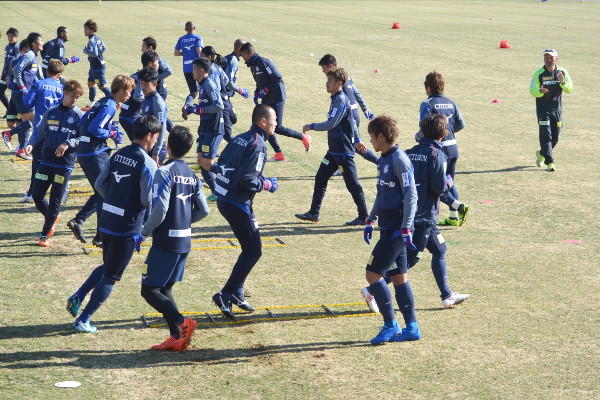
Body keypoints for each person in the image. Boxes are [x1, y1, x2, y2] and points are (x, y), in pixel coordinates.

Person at [67, 116, 160, 333]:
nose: (156, 141)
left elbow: (100, 183)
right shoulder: (147, 163)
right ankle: (83, 319)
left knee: (109, 264)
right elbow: (148, 199)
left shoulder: (118, 154)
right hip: (127, 227)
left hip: (106, 220)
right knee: (111, 275)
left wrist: (113, 200)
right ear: (149, 136)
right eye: (156, 137)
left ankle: (78, 296)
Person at [140, 125, 209, 351]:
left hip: (166, 241)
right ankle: (177, 337)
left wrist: (143, 233)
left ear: (168, 146)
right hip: (184, 241)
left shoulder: (165, 172)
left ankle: (181, 322)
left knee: (149, 289)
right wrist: (184, 221)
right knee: (166, 288)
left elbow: (160, 210)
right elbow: (204, 210)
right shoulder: (192, 175)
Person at [211, 104, 279, 319]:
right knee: (253, 250)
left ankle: (237, 292)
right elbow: (248, 179)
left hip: (225, 199)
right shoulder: (258, 145)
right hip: (237, 203)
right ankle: (226, 293)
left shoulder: (240, 138)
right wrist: (266, 184)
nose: (276, 123)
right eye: (274, 119)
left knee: (248, 248)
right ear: (262, 121)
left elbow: (223, 163)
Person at [362, 115, 420, 344]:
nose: (370, 141)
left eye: (372, 137)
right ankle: (412, 327)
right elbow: (381, 192)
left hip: (397, 230)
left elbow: (411, 194)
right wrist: (371, 218)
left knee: (372, 274)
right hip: (387, 226)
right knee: (398, 277)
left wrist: (406, 227)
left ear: (382, 136)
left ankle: (390, 325)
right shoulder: (383, 159)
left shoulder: (400, 160)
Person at [405, 114, 470, 307]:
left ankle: (447, 295)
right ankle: (375, 289)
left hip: (413, 213)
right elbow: (439, 188)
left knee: (440, 249)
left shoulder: (409, 152)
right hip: (423, 216)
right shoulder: (438, 155)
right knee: (410, 259)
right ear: (444, 133)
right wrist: (453, 200)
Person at [295, 68, 369, 226]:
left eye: (330, 80)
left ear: (339, 83)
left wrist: (311, 126)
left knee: (352, 185)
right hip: (333, 152)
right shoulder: (336, 98)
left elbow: (331, 124)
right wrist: (357, 139)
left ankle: (364, 216)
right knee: (320, 178)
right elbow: (351, 121)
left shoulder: (341, 100)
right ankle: (314, 213)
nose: (326, 83)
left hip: (343, 152)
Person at [67, 75, 132, 247]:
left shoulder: (104, 101)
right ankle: (80, 221)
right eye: (129, 92)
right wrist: (111, 134)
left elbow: (84, 122)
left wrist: (108, 129)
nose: (130, 96)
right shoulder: (110, 106)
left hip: (88, 152)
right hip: (94, 154)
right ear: (122, 90)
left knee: (103, 191)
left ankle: (98, 235)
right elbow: (94, 128)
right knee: (106, 191)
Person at [29, 80, 84, 247]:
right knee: (37, 194)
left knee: (55, 200)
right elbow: (40, 131)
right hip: (46, 161)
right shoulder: (51, 112)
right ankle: (52, 218)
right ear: (64, 93)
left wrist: (68, 143)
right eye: (72, 96)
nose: (75, 100)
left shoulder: (79, 116)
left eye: (77, 97)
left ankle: (44, 235)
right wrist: (31, 143)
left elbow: (84, 138)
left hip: (64, 165)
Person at [240, 42, 311, 161]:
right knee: (264, 125)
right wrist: (257, 92)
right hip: (267, 98)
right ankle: (279, 153)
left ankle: (304, 137)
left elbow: (277, 78)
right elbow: (259, 82)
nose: (243, 59)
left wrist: (265, 90)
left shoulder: (263, 62)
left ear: (250, 53)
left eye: (244, 56)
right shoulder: (252, 66)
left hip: (277, 96)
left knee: (277, 128)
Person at [419, 71, 468, 227]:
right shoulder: (451, 103)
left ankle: (456, 208)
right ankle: (454, 217)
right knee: (449, 183)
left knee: (436, 184)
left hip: (438, 151)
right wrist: (448, 132)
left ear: (428, 87)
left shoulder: (427, 104)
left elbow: (423, 127)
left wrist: (418, 138)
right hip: (452, 148)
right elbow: (461, 124)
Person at [318, 54, 379, 165]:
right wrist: (365, 109)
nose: (323, 72)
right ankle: (339, 167)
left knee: (351, 145)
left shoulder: (338, 80)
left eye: (324, 69)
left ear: (330, 66)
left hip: (348, 117)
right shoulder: (346, 76)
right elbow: (357, 93)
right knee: (347, 144)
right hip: (352, 115)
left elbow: (346, 99)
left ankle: (379, 162)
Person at [20, 59, 65, 204]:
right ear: (59, 75)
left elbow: (27, 103)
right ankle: (62, 193)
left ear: (46, 71)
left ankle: (32, 193)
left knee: (38, 164)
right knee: (58, 165)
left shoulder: (39, 84)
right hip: (57, 132)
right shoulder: (62, 88)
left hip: (40, 131)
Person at [182, 58, 223, 200]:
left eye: (194, 69)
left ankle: (229, 175)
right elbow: (202, 103)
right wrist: (191, 108)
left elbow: (219, 105)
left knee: (207, 163)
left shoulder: (209, 84)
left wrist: (199, 109)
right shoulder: (201, 84)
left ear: (201, 70)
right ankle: (216, 192)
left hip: (214, 129)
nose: (192, 72)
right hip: (205, 128)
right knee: (201, 160)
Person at [1, 32, 44, 160]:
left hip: (23, 94)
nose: (42, 43)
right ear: (34, 44)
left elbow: (33, 76)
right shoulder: (30, 55)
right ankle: (11, 137)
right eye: (40, 41)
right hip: (21, 94)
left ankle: (20, 148)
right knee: (34, 122)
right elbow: (17, 69)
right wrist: (22, 86)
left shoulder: (34, 56)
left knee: (29, 122)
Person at [530, 49, 573, 172]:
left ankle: (541, 153)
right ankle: (550, 162)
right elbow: (532, 90)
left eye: (551, 57)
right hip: (543, 109)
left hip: (557, 109)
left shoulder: (562, 72)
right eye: (546, 58)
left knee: (555, 137)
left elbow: (569, 89)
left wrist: (562, 82)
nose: (548, 60)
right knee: (546, 136)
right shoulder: (538, 73)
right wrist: (540, 91)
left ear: (556, 59)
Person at [201, 45, 249, 144]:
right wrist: (240, 91)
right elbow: (228, 83)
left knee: (231, 124)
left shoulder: (211, 70)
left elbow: (217, 88)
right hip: (225, 101)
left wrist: (240, 90)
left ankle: (237, 147)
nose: (200, 57)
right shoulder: (217, 67)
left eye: (202, 55)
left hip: (221, 102)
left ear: (209, 57)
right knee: (228, 126)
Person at [139, 67, 168, 164]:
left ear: (155, 84)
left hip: (156, 148)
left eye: (146, 84)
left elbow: (161, 128)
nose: (142, 87)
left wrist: (156, 153)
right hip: (147, 144)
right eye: (141, 83)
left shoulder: (158, 103)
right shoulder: (146, 98)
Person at [83, 19, 110, 109]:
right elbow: (104, 47)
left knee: (101, 85)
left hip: (97, 68)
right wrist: (99, 54)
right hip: (93, 68)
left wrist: (86, 51)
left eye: (86, 29)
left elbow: (94, 53)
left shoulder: (91, 41)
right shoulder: (97, 38)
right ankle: (91, 103)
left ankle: (115, 101)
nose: (84, 31)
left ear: (91, 30)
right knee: (90, 83)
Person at [174, 21, 203, 99]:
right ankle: (202, 104)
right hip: (197, 69)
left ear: (185, 29)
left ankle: (187, 104)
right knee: (203, 90)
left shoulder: (181, 39)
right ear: (194, 28)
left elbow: (176, 53)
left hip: (186, 69)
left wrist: (185, 53)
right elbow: (199, 51)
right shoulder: (198, 38)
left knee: (193, 92)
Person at [141, 36, 172, 101]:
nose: (141, 49)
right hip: (152, 90)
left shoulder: (157, 59)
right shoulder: (147, 58)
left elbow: (169, 71)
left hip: (159, 92)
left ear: (150, 48)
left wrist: (154, 79)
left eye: (143, 46)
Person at [0, 27, 19, 119]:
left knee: (14, 94)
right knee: (0, 91)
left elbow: (16, 63)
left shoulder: (17, 47)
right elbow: (6, 61)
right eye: (8, 36)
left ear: (16, 37)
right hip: (5, 74)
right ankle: (9, 110)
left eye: (12, 36)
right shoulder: (7, 47)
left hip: (12, 75)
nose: (10, 38)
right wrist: (3, 72)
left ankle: (15, 113)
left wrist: (9, 75)